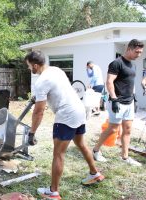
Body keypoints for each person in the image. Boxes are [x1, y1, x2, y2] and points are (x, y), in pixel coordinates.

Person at [25, 51, 104, 200]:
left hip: (66, 114)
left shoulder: (40, 82)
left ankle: (53, 192)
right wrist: (39, 96)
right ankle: (95, 173)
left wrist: (31, 132)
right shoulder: (55, 70)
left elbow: (39, 112)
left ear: (35, 65)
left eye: (29, 66)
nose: (30, 69)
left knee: (58, 154)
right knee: (81, 143)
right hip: (79, 110)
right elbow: (58, 89)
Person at [92, 39, 144, 166]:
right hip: (118, 101)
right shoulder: (116, 63)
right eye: (137, 52)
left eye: (141, 52)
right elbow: (109, 82)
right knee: (113, 128)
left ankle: (125, 157)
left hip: (129, 102)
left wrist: (134, 98)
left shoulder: (133, 65)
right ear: (129, 49)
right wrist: (114, 99)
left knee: (127, 130)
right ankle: (95, 150)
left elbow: (129, 83)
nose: (139, 55)